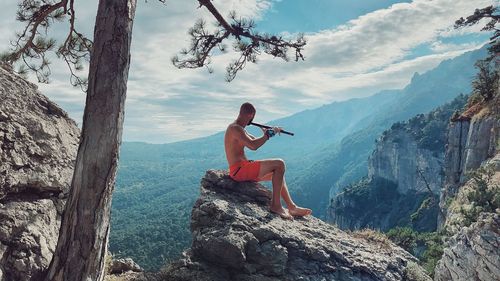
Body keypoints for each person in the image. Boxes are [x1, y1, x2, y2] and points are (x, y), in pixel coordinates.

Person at [224, 102, 312, 220]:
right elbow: (253, 145)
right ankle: (276, 206)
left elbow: (254, 140)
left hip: (243, 167)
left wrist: (265, 132)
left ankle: (292, 207)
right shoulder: (235, 128)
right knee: (279, 164)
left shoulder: (239, 129)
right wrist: (270, 133)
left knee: (277, 174)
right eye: (253, 118)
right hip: (239, 170)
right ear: (250, 116)